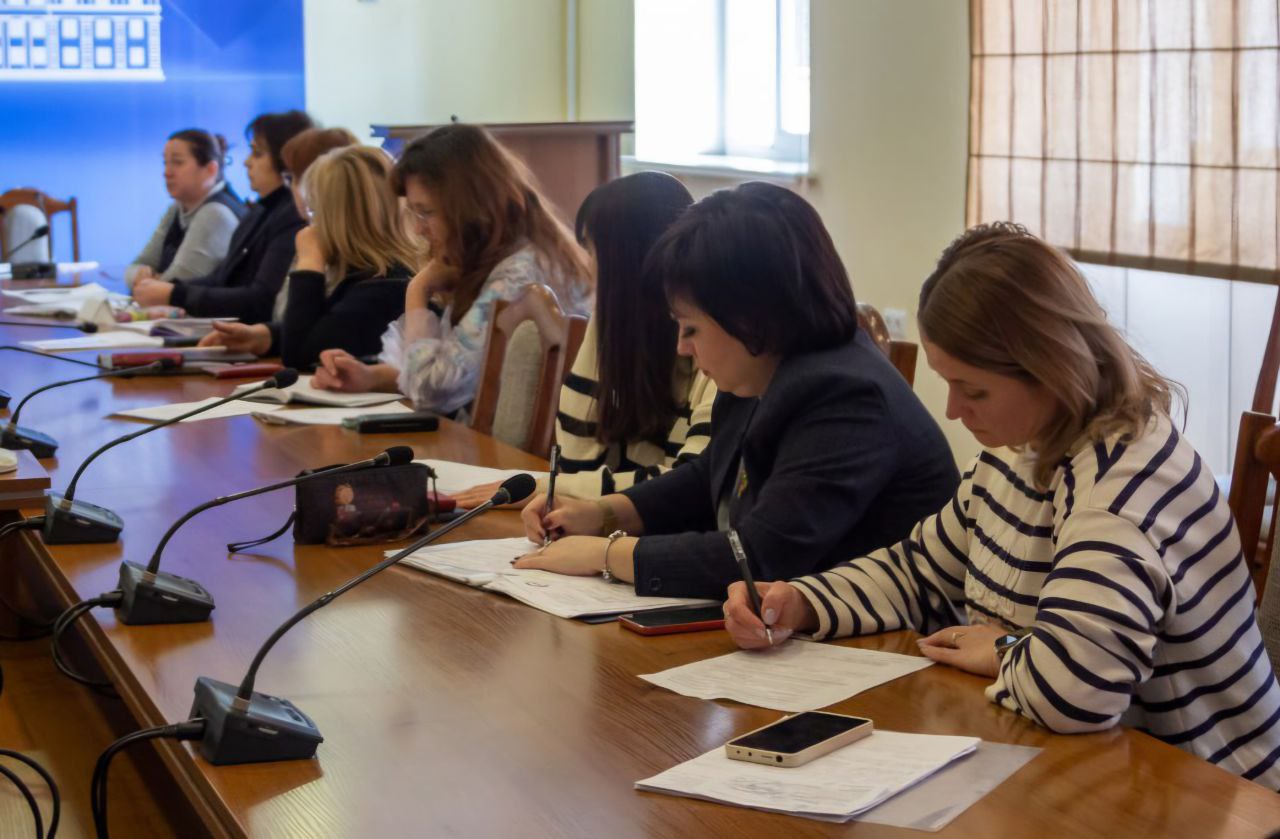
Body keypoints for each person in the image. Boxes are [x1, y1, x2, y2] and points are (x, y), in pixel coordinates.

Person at [722, 222, 1280, 788]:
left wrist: (1006, 648)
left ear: (1050, 368)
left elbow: (1074, 691)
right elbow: (919, 572)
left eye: (974, 390)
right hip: (1097, 773)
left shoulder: (1121, 489)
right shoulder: (1022, 450)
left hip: (1216, 795)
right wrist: (803, 601)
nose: (953, 409)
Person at [513, 182, 959, 600]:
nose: (682, 347)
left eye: (691, 328)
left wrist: (605, 554)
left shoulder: (846, 396)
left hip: (890, 641)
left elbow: (760, 556)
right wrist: (602, 513)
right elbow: (709, 476)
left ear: (748, 318)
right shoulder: (763, 366)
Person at [453, 171, 714, 508]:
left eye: (592, 253)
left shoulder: (715, 351)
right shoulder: (625, 333)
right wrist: (605, 321)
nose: (588, 269)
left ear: (626, 264)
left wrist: (548, 487)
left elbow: (686, 485)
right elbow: (576, 463)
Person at [309, 123, 591, 415]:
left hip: (494, 445)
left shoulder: (516, 275)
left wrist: (417, 291)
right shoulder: (506, 255)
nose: (418, 229)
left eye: (426, 212)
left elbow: (431, 391)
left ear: (469, 206)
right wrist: (370, 378)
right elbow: (453, 369)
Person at [198, 145, 417, 369]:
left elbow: (301, 353)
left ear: (336, 217)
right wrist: (266, 336)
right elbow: (329, 329)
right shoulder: (368, 273)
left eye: (315, 211)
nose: (311, 224)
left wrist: (309, 262)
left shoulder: (385, 284)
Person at [133, 110, 315, 323]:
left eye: (257, 153)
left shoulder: (291, 216)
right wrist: (170, 289)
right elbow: (221, 278)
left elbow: (261, 299)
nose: (246, 162)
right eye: (165, 163)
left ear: (286, 160)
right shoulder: (260, 210)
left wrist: (174, 293)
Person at [125, 129, 246, 287]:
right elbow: (136, 267)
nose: (166, 172)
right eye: (165, 162)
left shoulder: (216, 213)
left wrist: (150, 282)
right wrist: (141, 276)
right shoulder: (177, 208)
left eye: (177, 162)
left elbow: (175, 286)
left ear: (210, 169)